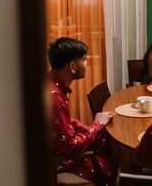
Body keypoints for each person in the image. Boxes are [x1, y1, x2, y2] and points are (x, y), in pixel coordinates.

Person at [48, 37, 117, 185]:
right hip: (57, 163)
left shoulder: (52, 84)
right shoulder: (55, 97)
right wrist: (96, 126)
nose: (87, 63)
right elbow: (69, 147)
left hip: (58, 149)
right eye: (84, 59)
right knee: (111, 162)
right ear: (72, 66)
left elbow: (67, 122)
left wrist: (90, 128)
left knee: (106, 146)